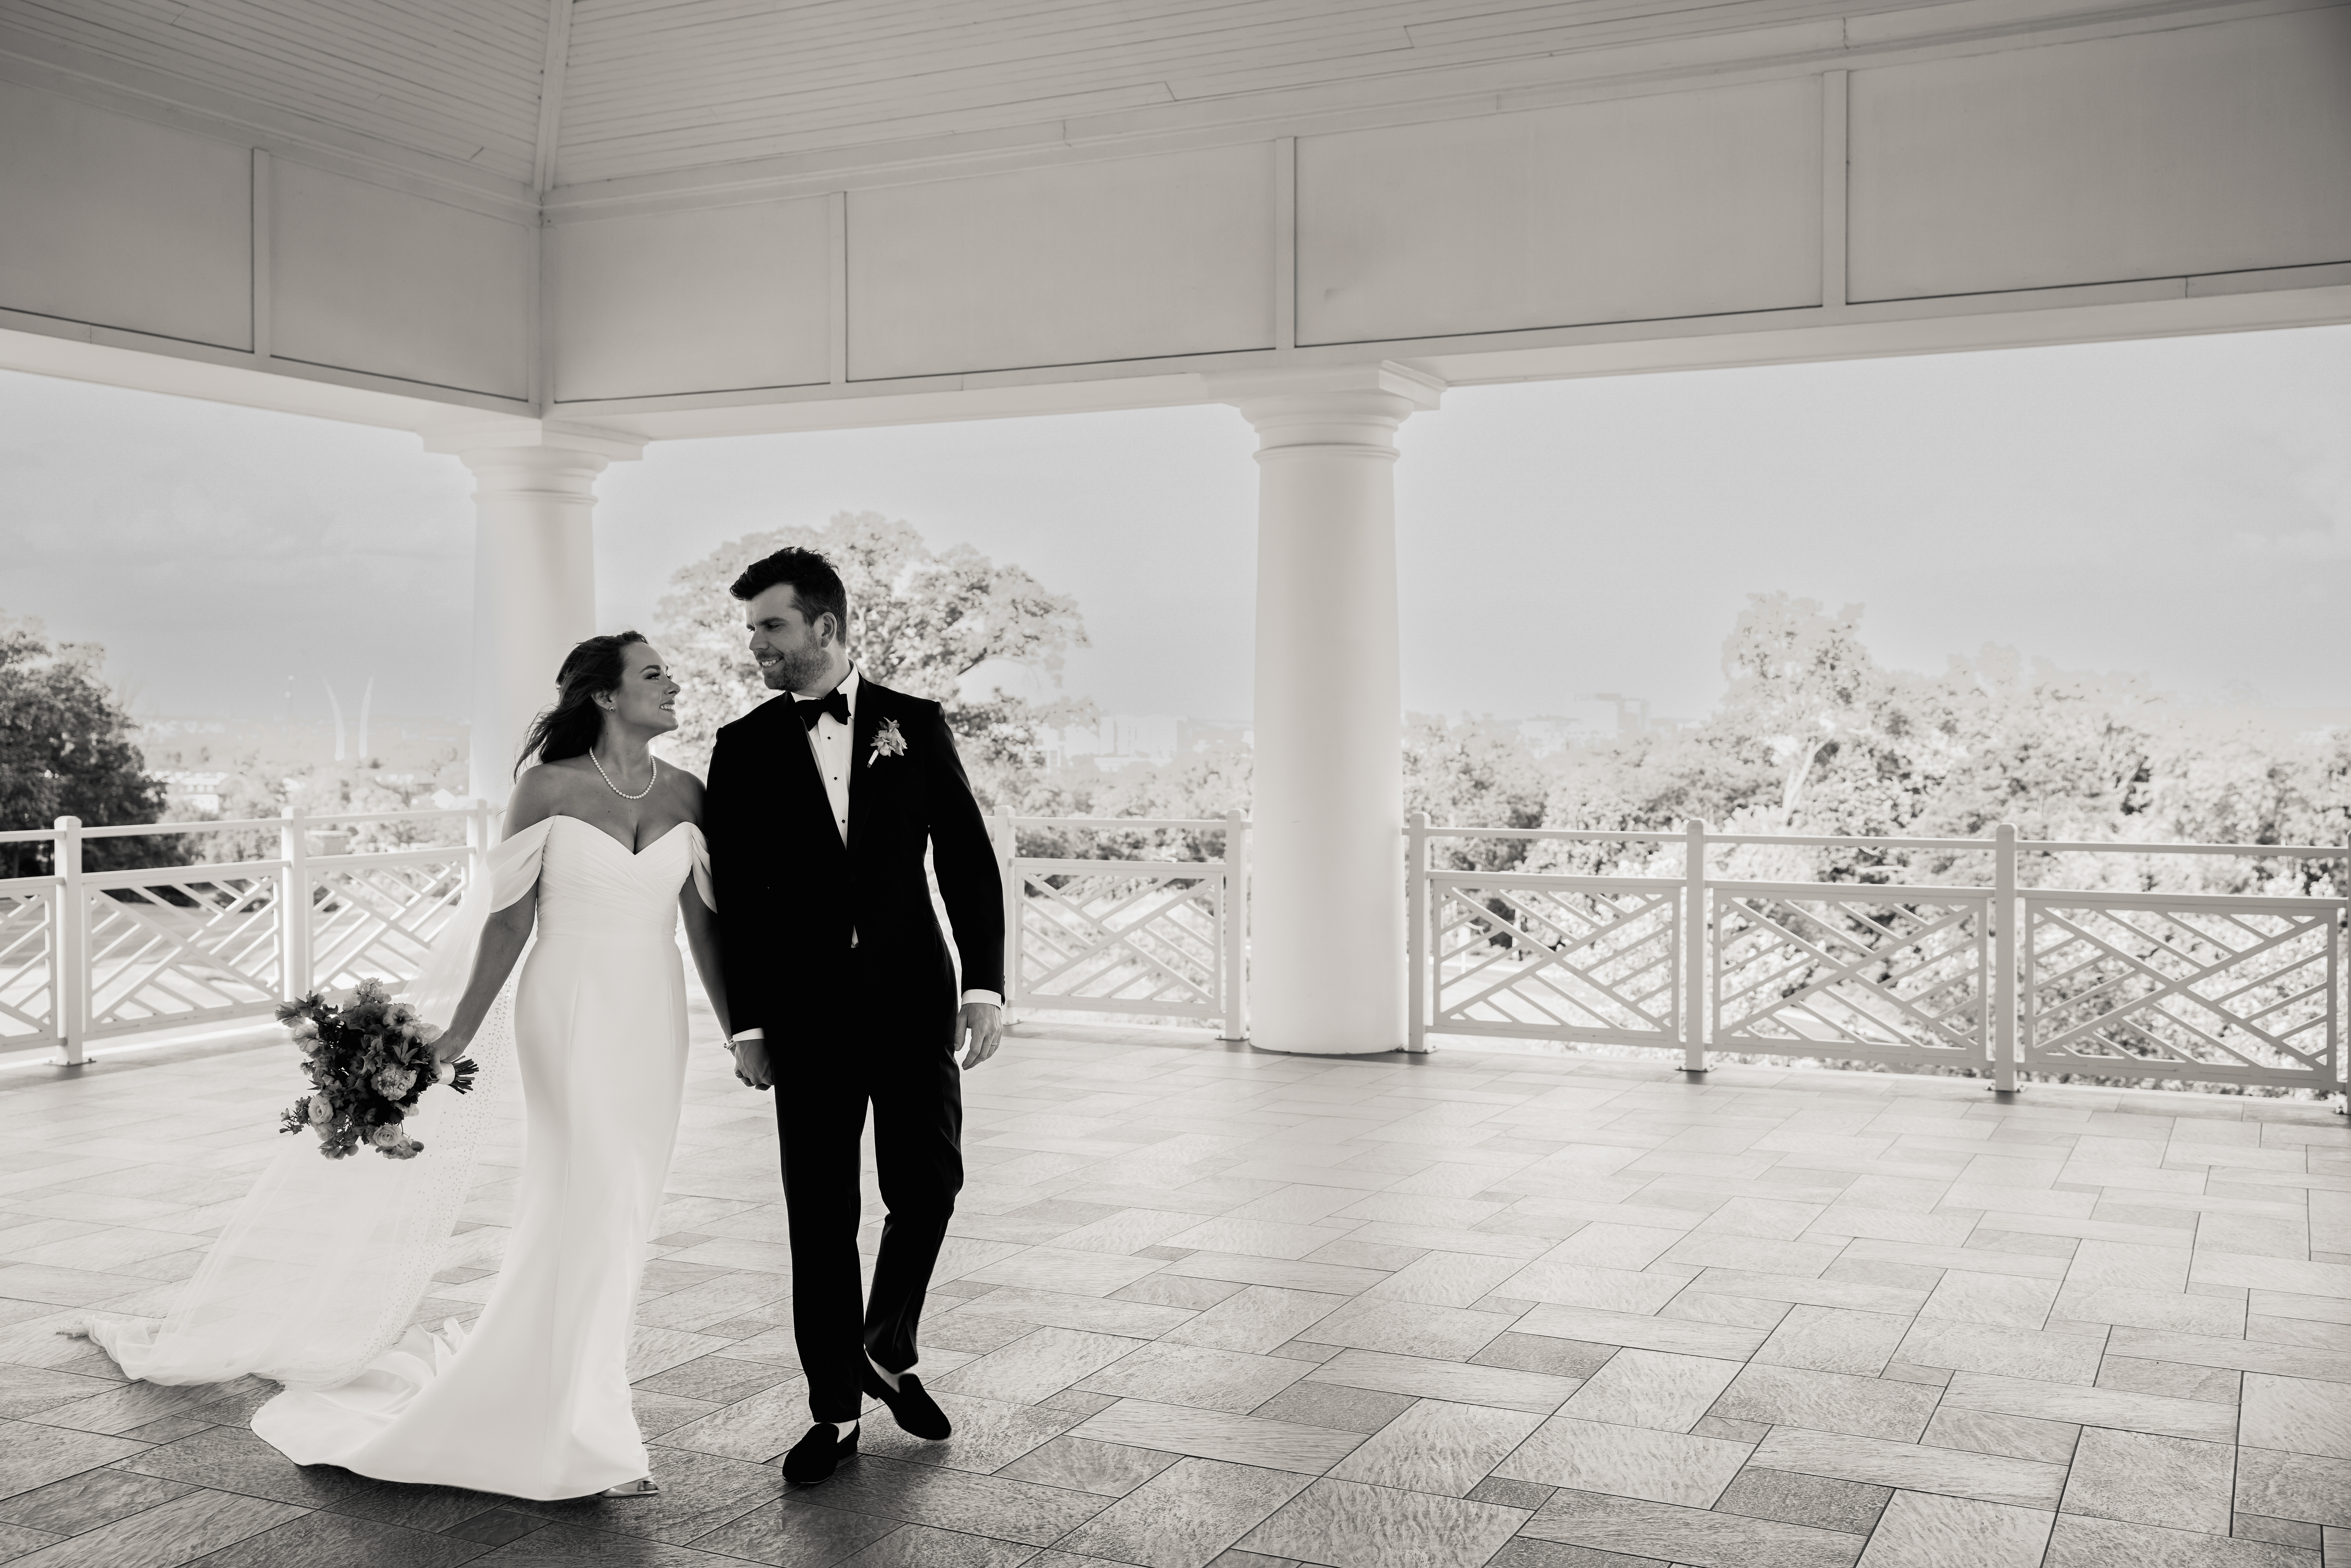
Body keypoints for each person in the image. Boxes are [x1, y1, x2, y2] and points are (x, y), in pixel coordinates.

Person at [87, 632, 735, 1501]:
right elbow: (507, 923)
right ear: (608, 696)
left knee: (628, 1208)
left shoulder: (689, 792)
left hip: (652, 1018)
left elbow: (704, 926)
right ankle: (579, 1420)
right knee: (583, 1195)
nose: (674, 684)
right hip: (569, 1010)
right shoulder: (546, 787)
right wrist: (459, 1028)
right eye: (655, 674)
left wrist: (744, 1031)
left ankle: (587, 1404)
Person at [704, 546, 1005, 1486]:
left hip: (915, 998)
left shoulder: (915, 723)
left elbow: (964, 857)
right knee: (819, 1215)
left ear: (826, 628)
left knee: (930, 1184)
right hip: (806, 1015)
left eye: (772, 626)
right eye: (754, 628)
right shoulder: (742, 745)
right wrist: (747, 1023)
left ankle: (885, 1342)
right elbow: (736, 905)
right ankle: (834, 1411)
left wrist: (983, 985)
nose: (757, 644)